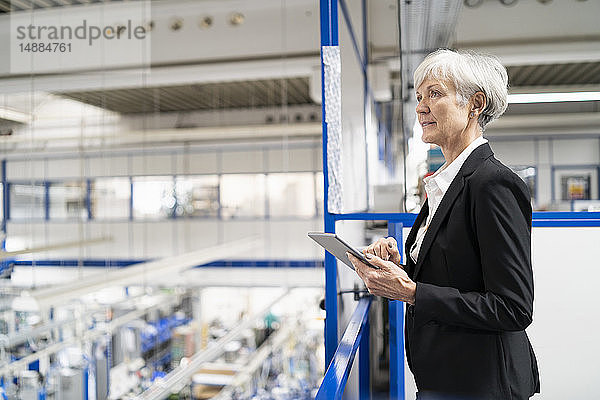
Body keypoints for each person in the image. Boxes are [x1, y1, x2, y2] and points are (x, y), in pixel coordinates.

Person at [347, 49, 540, 400]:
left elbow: (513, 307)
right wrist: (398, 269)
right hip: (445, 377)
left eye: (434, 94)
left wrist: (410, 292)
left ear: (475, 104)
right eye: (419, 97)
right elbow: (452, 276)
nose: (420, 107)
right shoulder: (445, 184)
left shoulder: (492, 183)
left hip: (481, 384)